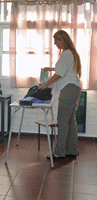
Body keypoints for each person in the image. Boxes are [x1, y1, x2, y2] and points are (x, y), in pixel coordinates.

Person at [38, 30, 82, 160]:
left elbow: (59, 74)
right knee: (71, 121)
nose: (55, 43)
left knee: (62, 121)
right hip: (75, 88)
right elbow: (65, 70)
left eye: (56, 40)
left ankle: (59, 152)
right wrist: (50, 69)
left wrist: (45, 84)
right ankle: (72, 150)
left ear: (63, 40)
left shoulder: (66, 53)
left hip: (68, 89)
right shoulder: (71, 53)